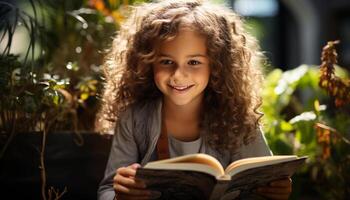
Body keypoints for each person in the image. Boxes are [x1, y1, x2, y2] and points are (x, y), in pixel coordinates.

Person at [96, 0, 292, 199]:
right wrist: (120, 194)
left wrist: (276, 192)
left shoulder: (239, 121)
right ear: (147, 63)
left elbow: (265, 185)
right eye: (166, 61)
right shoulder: (133, 118)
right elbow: (106, 191)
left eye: (194, 62)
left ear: (217, 66)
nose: (178, 75)